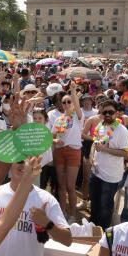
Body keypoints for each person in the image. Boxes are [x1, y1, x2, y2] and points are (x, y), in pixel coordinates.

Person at [89, 100, 128, 227]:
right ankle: (93, 230)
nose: (107, 114)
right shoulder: (100, 126)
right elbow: (94, 143)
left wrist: (106, 150)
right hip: (96, 172)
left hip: (110, 177)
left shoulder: (122, 131)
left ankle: (103, 235)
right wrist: (91, 156)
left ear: (117, 114)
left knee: (105, 208)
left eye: (111, 112)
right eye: (105, 112)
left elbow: (127, 153)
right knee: (94, 203)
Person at [50, 83, 83, 221]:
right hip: (60, 152)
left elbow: (76, 103)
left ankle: (73, 214)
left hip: (73, 152)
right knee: (61, 185)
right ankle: (62, 212)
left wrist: (74, 92)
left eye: (68, 101)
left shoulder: (77, 116)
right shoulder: (59, 119)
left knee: (70, 186)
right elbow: (52, 137)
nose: (66, 104)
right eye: (64, 102)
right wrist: (56, 141)